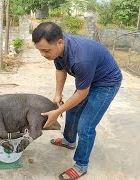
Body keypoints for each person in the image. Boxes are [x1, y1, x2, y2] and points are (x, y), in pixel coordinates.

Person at [32, 22, 122, 180]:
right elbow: (60, 69)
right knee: (72, 110)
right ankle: (69, 141)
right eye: (40, 50)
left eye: (46, 50)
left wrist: (57, 112)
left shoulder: (81, 59)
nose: (44, 55)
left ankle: (81, 165)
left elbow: (81, 94)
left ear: (60, 42)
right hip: (90, 79)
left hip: (106, 84)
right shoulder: (58, 49)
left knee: (85, 126)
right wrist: (57, 95)